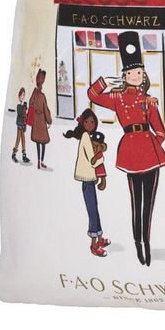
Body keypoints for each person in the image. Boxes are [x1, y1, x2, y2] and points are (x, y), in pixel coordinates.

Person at [88, 31, 165, 266]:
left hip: (150, 155)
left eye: (140, 72)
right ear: (125, 75)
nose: (137, 75)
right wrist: (104, 82)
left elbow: (161, 131)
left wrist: (151, 146)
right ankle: (137, 243)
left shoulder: (149, 101)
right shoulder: (117, 98)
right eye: (132, 73)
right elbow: (92, 94)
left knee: (148, 204)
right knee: (136, 202)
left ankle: (147, 242)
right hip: (130, 155)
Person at [63, 109, 111, 257]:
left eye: (92, 122)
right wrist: (102, 157)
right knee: (92, 211)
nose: (90, 124)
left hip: (89, 179)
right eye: (87, 122)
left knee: (94, 209)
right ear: (82, 123)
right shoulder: (85, 137)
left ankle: (100, 238)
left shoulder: (87, 137)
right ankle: (93, 244)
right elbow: (93, 161)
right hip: (87, 179)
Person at [26, 68, 52, 168]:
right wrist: (49, 120)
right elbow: (45, 109)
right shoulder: (42, 96)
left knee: (38, 142)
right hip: (41, 121)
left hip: (36, 121)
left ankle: (38, 161)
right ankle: (41, 161)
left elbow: (30, 103)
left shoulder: (34, 94)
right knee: (43, 142)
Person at [11, 87, 31, 164]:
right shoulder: (19, 106)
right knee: (18, 139)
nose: (23, 97)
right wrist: (23, 107)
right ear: (19, 96)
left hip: (23, 125)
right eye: (22, 95)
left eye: (24, 95)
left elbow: (26, 114)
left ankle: (24, 155)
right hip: (19, 125)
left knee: (23, 140)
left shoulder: (24, 105)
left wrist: (25, 108)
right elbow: (20, 114)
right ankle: (14, 154)